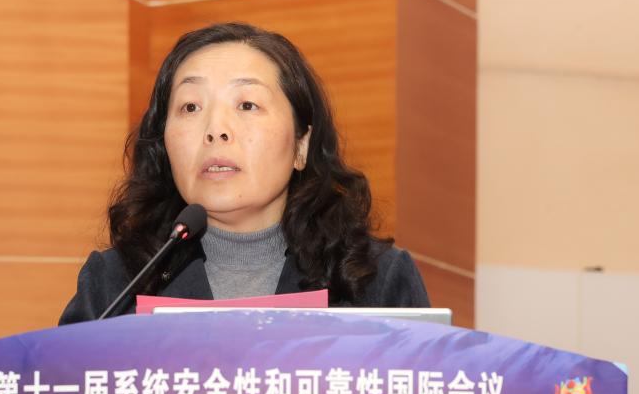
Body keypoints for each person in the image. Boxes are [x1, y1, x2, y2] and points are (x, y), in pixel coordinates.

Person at [58, 22, 430, 324]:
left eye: (247, 105)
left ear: (301, 145)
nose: (215, 129)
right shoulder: (116, 285)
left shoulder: (375, 280)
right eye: (190, 107)